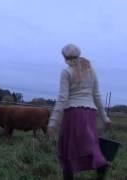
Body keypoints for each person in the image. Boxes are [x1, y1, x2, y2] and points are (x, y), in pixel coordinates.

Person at [48, 44, 112, 180]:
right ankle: (101, 166)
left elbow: (62, 98)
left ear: (64, 57)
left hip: (73, 113)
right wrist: (105, 117)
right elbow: (97, 96)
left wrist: (53, 122)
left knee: (67, 149)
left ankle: (72, 176)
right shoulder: (91, 71)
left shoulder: (66, 72)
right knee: (91, 144)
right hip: (89, 114)